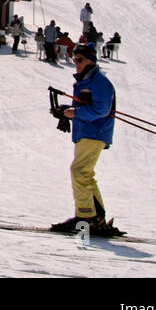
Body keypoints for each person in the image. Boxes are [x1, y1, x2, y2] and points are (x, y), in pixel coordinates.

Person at [50, 42, 121, 235]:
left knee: (79, 171)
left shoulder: (99, 82)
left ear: (91, 60)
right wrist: (66, 112)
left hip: (95, 132)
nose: (76, 63)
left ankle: (86, 217)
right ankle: (95, 217)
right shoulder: (85, 81)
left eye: (80, 59)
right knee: (85, 173)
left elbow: (101, 109)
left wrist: (73, 113)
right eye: (74, 60)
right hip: (86, 133)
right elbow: (85, 107)